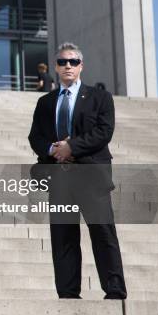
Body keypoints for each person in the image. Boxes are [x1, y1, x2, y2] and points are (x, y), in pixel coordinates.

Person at [28, 42, 127, 300]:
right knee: (63, 238)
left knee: (103, 233)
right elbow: (35, 137)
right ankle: (68, 293)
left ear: (81, 66)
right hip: (59, 179)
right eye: (62, 62)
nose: (67, 66)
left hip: (91, 176)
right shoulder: (45, 102)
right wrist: (53, 149)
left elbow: (103, 133)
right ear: (56, 67)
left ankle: (114, 290)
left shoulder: (99, 97)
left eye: (72, 61)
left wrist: (70, 147)